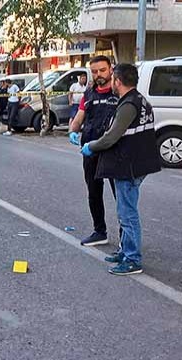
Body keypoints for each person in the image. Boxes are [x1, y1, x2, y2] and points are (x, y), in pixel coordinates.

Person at [81, 63, 160, 275]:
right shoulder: (138, 100)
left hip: (129, 166)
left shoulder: (129, 104)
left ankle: (132, 259)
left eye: (113, 78)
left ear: (118, 81)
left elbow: (111, 137)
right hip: (135, 163)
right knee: (124, 210)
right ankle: (125, 251)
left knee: (127, 214)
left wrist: (91, 146)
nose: (112, 83)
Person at [69, 55, 120, 247]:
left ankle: (126, 236)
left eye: (102, 70)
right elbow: (79, 118)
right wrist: (72, 131)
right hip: (90, 151)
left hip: (114, 152)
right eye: (94, 71)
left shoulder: (119, 93)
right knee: (94, 192)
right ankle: (100, 231)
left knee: (120, 196)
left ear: (111, 70)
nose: (98, 75)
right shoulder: (89, 94)